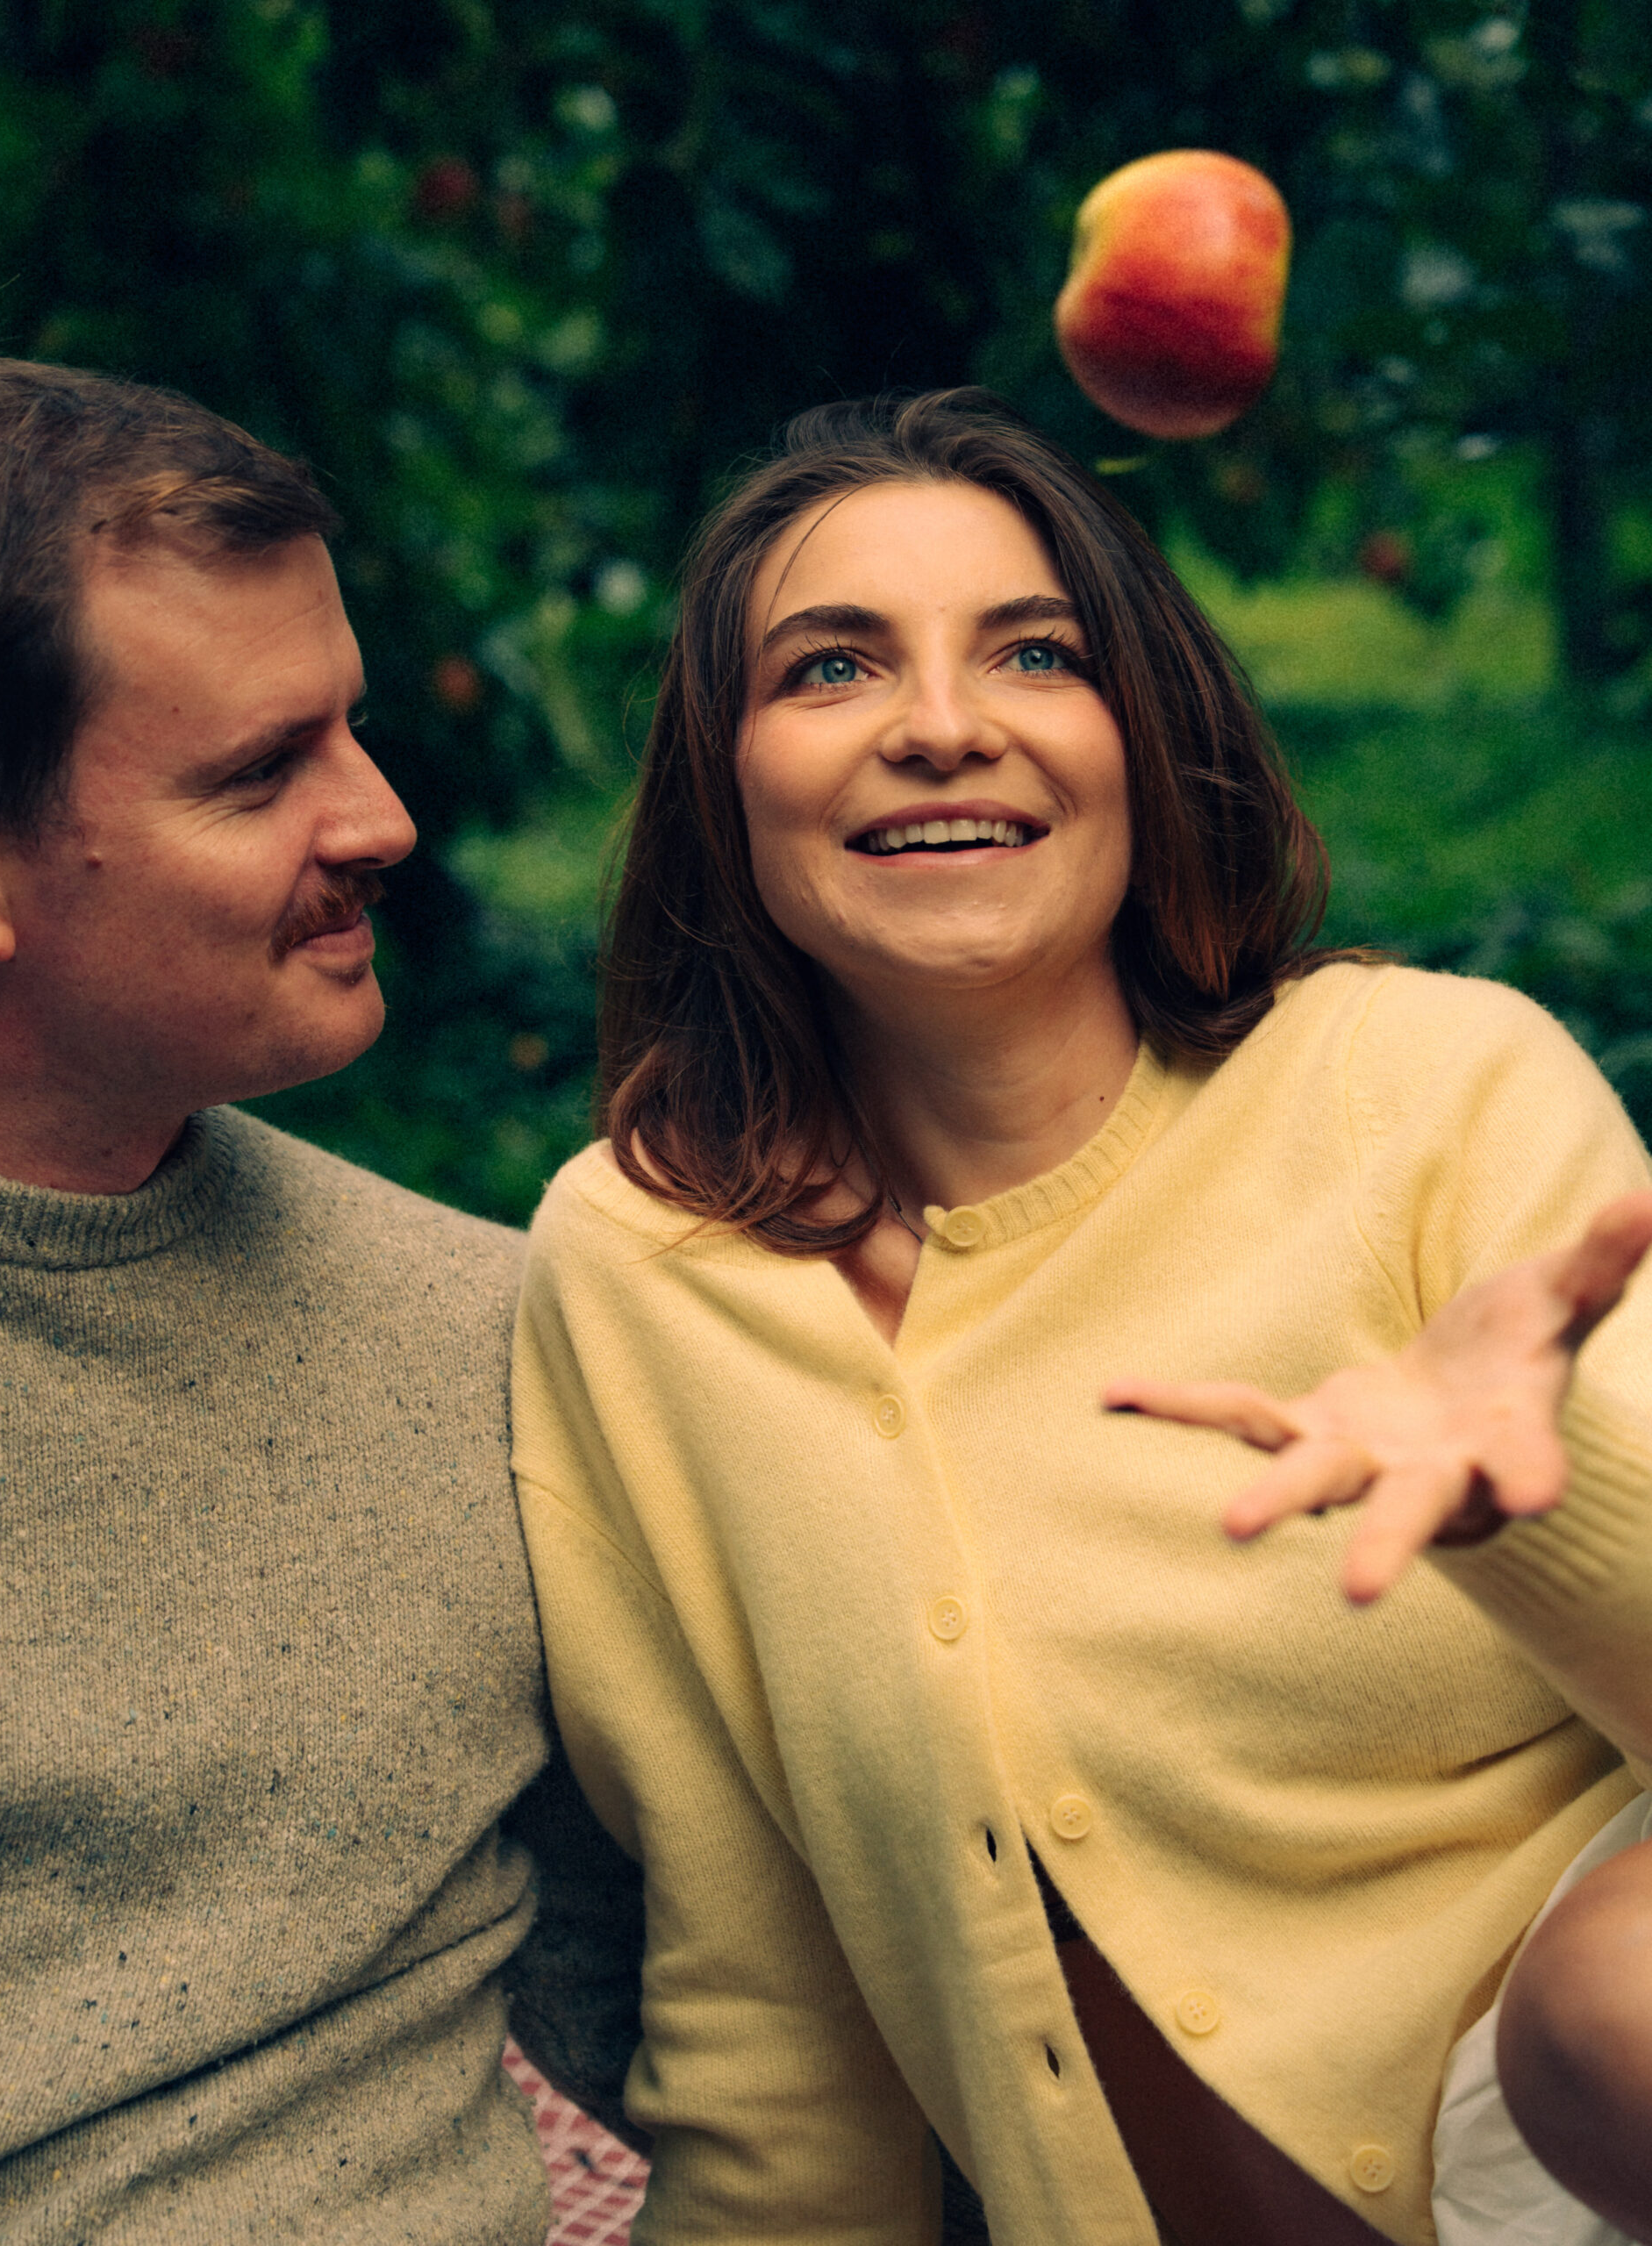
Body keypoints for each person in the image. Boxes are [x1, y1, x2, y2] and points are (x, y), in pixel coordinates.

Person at [510, 387, 1652, 2246]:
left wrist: (1540, 1509)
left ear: (1144, 730)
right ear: (725, 786)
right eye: (830, 668)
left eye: (1035, 653)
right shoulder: (637, 1270)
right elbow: (764, 1995)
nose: (942, 728)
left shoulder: (1426, 1088)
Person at [0, 354, 642, 2242]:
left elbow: (682, 2002)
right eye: (262, 771)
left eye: (348, 728)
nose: (383, 820)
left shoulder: (487, 1331)